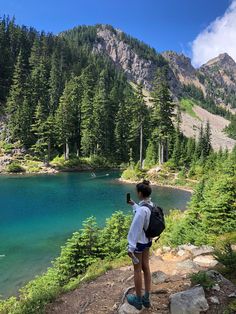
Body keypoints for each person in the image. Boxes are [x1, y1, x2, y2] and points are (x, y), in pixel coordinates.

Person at [127, 180, 153, 310]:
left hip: (138, 244)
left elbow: (135, 230)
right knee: (146, 268)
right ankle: (146, 298)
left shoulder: (141, 211)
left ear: (140, 193)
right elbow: (143, 214)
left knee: (137, 270)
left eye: (137, 192)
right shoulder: (150, 205)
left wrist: (130, 247)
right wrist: (134, 205)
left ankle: (137, 300)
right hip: (147, 242)